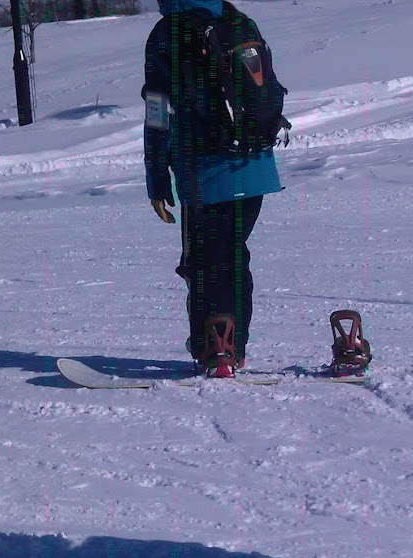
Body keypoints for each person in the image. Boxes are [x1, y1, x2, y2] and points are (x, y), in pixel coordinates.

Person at [143, 0, 285, 377]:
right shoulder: (238, 19)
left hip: (204, 169)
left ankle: (214, 351)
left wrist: (156, 176)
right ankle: (233, 349)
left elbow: (158, 110)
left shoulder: (166, 33)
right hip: (255, 164)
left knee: (204, 263)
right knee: (233, 254)